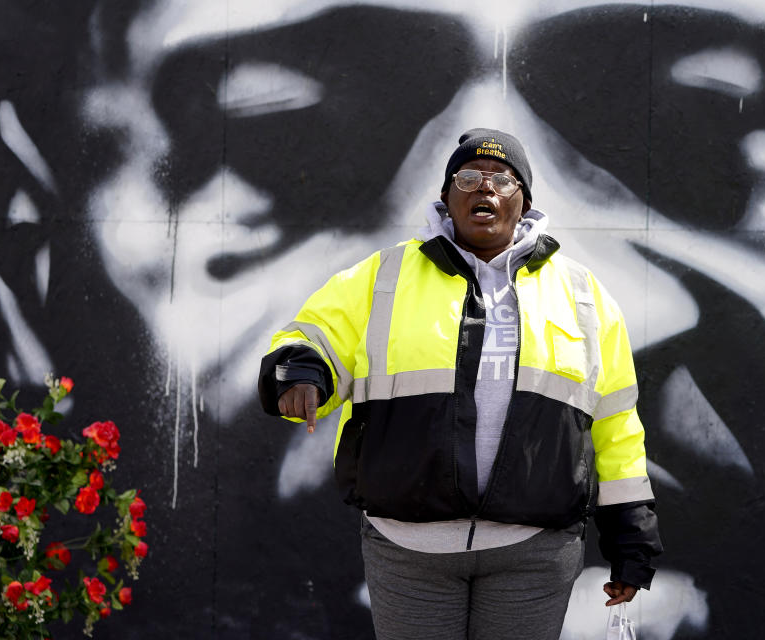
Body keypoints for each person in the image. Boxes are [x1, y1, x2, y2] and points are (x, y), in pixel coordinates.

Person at [259, 128, 662, 639]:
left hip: (533, 553)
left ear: (526, 201)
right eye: (467, 177)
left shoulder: (584, 295)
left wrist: (631, 536)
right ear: (447, 198)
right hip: (409, 549)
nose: (484, 188)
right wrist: (302, 371)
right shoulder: (383, 275)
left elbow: (616, 423)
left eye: (503, 180)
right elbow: (312, 335)